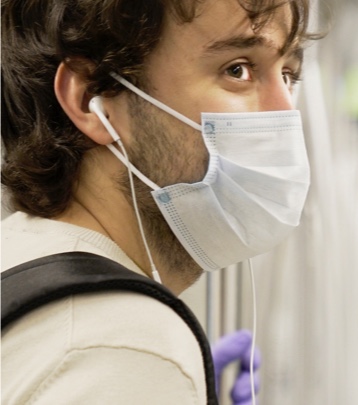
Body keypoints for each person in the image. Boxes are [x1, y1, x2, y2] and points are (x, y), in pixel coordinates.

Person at [1, 0, 316, 403]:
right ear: (91, 100)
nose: (284, 114)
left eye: (288, 75)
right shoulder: (123, 348)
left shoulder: (18, 258)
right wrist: (147, 372)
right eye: (238, 69)